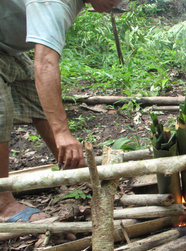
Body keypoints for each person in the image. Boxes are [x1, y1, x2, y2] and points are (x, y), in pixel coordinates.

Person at [0, 0, 122, 222]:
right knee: (1, 112)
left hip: (7, 49)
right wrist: (62, 132)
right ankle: (3, 205)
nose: (118, 2)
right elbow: (45, 63)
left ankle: (70, 168)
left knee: (36, 96)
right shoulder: (55, 2)